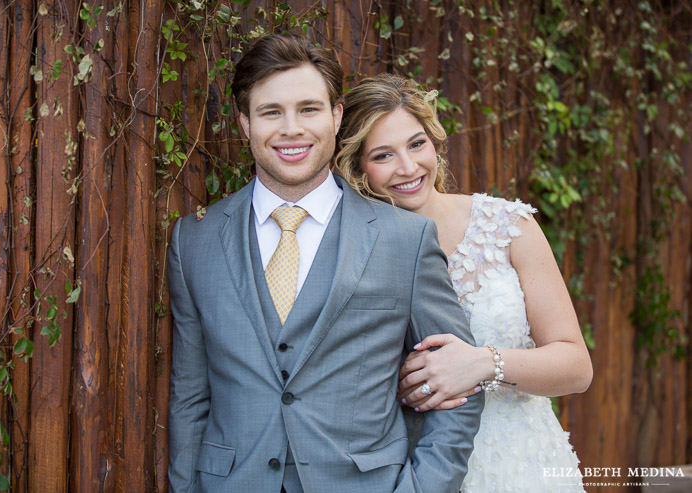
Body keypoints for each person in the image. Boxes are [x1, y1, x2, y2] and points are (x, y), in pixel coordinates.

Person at [167, 35, 483, 493]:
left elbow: (458, 389)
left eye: (309, 109)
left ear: (336, 116)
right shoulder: (193, 240)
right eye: (271, 112)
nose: (291, 128)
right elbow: (189, 397)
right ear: (244, 123)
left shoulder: (405, 240)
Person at [335, 73, 593, 492]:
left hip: (523, 465)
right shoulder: (350, 251)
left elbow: (576, 368)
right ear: (357, 166)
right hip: (413, 469)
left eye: (416, 144)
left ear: (434, 140)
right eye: (383, 155)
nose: (408, 167)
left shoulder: (509, 228)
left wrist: (483, 363)